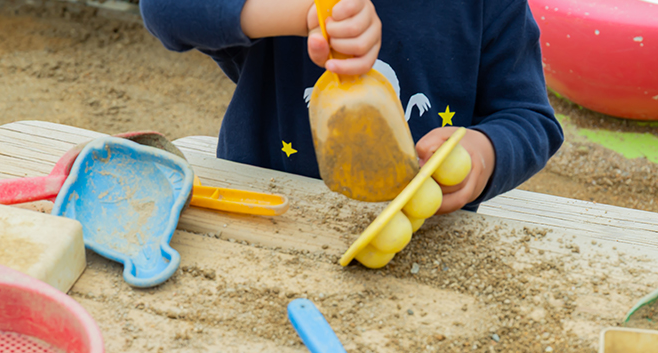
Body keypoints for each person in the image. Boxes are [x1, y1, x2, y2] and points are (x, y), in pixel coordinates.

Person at [139, 0, 563, 213]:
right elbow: (164, 9)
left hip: (424, 236)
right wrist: (303, 12)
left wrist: (485, 153)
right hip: (268, 218)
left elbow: (530, 118)